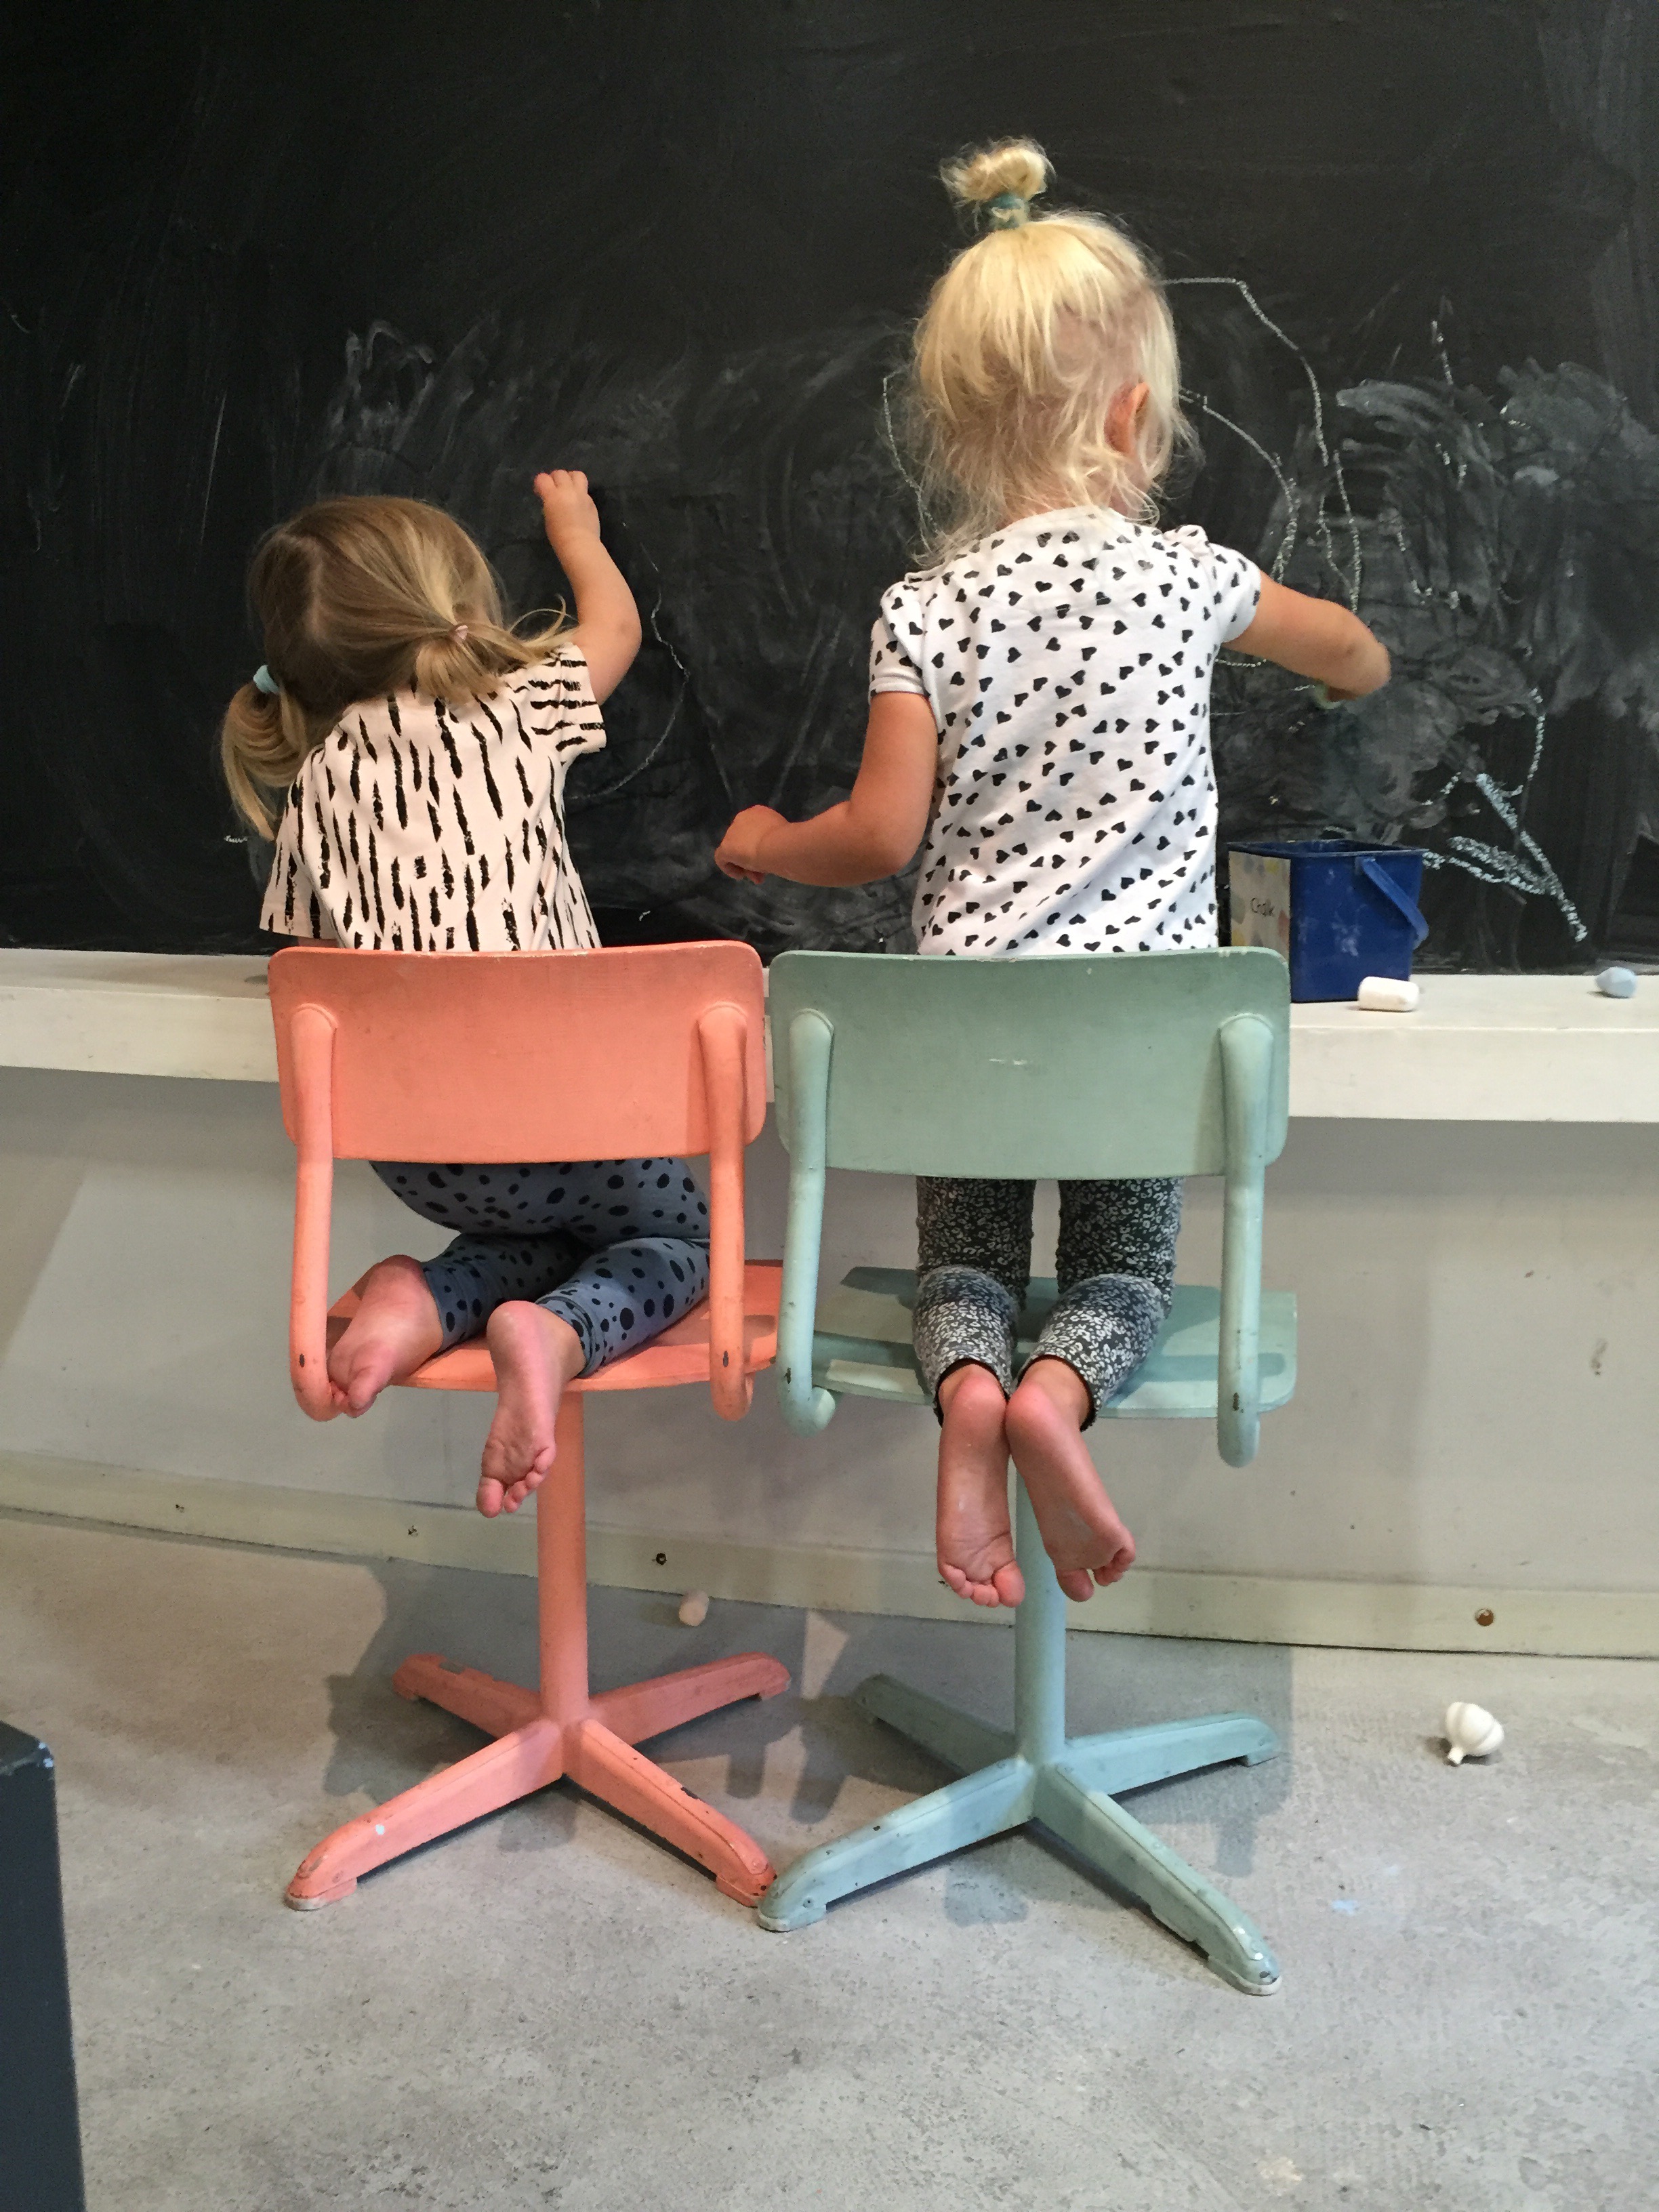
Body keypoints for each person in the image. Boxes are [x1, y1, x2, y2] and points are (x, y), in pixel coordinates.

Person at [715, 140, 1390, 1610]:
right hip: (1138, 1044)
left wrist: (765, 841)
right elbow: (1346, 648)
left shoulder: (924, 610)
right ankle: (1054, 1401)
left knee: (962, 1267)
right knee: (1121, 1277)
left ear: (950, 425)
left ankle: (969, 1391)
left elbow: (878, 838)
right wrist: (1359, 667)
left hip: (966, 1038)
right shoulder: (1194, 578)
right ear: (1137, 413)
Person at [223, 477, 711, 1519]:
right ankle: (561, 1332)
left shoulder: (314, 782)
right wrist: (577, 532)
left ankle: (426, 1298)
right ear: (456, 607)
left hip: (422, 1158)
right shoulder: (520, 706)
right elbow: (617, 628)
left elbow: (313, 968)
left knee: (533, 1239)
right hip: (576, 1128)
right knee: (684, 1241)